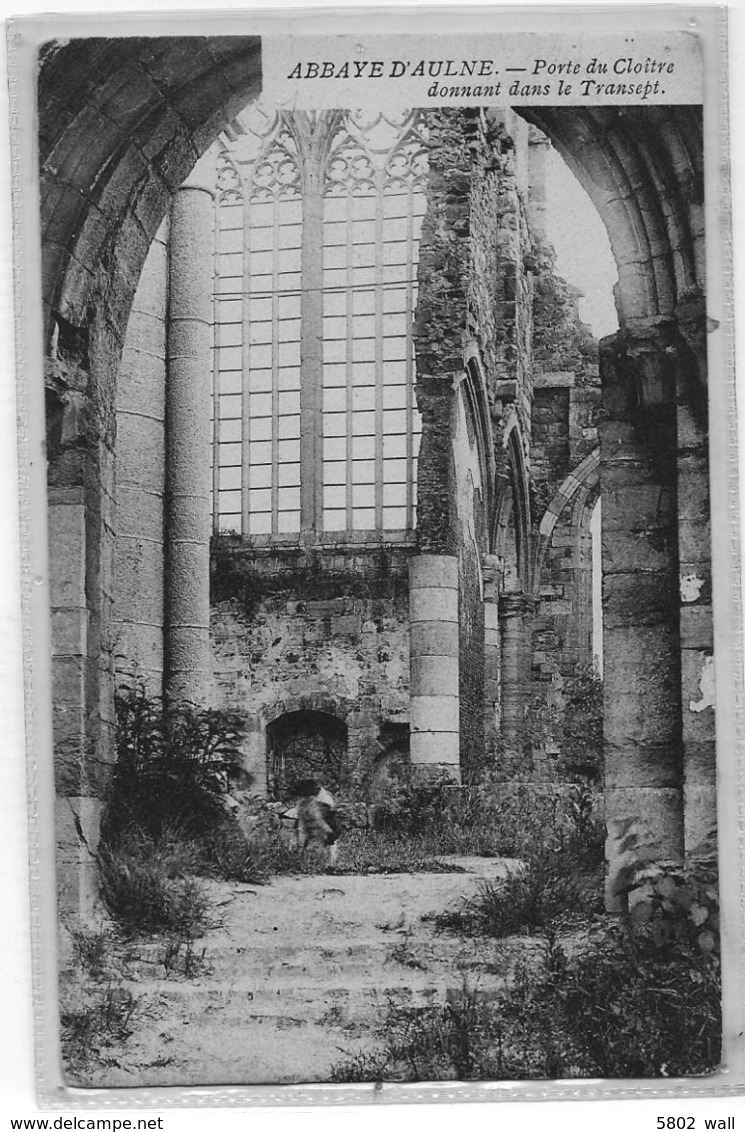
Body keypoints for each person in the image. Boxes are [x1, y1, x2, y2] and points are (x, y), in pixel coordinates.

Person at [294, 778, 341, 865]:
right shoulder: (306, 802)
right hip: (313, 828)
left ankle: (326, 864)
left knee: (321, 848)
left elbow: (323, 819)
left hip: (321, 829)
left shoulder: (323, 799)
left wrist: (329, 830)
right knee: (313, 848)